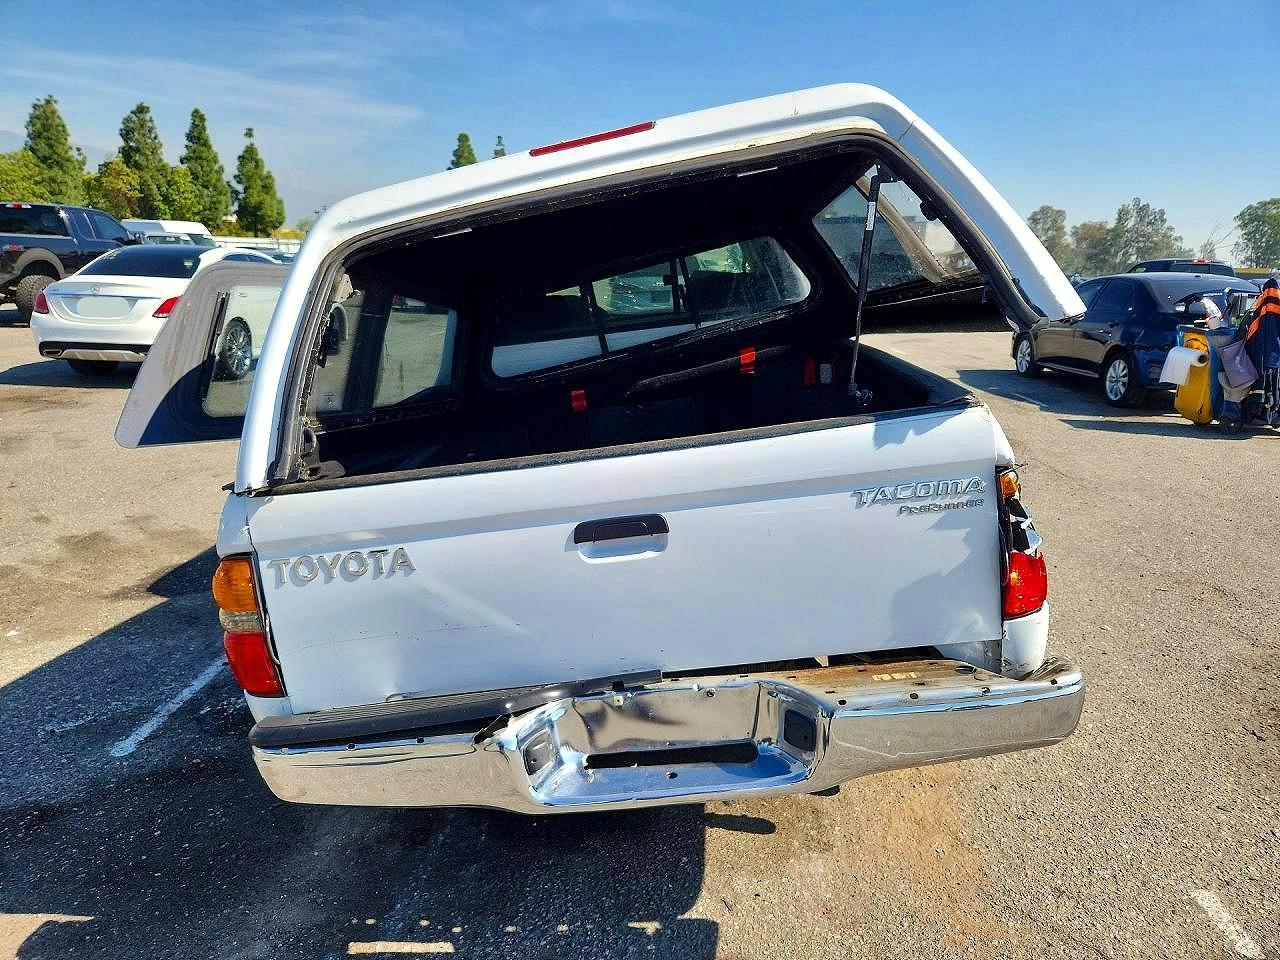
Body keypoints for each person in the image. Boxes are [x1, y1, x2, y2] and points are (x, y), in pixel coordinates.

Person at [1242, 278, 1280, 425]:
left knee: (1264, 385)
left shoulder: (1262, 305)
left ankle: (1260, 411)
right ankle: (1271, 412)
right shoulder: (1272, 306)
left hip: (1264, 356)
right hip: (1273, 356)